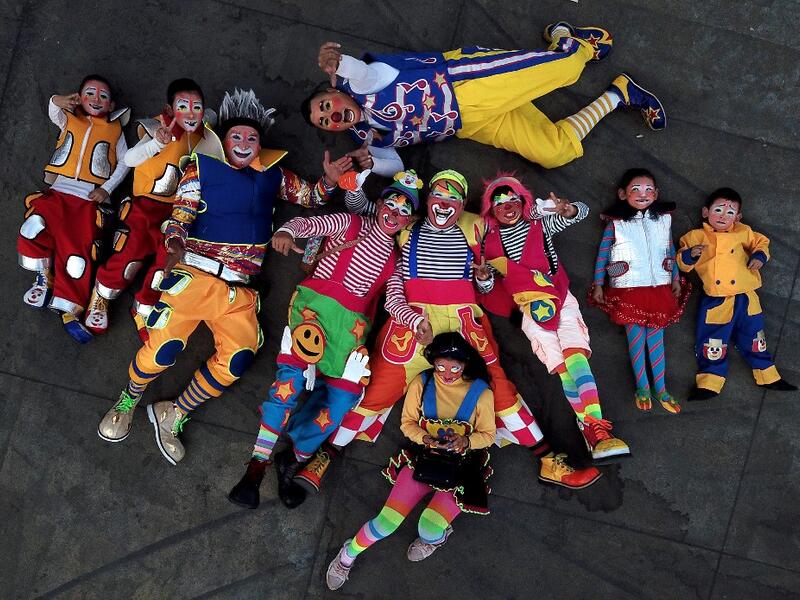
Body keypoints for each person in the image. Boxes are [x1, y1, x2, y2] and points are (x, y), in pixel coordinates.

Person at [297, 170, 601, 494]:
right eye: (438, 196)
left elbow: (518, 226)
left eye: (453, 199)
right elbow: (377, 227)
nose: (444, 204)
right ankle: (324, 456)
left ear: (462, 205)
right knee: (375, 393)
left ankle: (548, 460)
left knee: (499, 388)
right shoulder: (406, 224)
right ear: (427, 201)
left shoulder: (477, 226)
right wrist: (410, 318)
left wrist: (555, 213)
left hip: (463, 319)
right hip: (412, 322)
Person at [96, 89, 348, 463]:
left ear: (260, 144)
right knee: (163, 349)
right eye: (237, 136)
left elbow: (311, 197)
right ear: (223, 140)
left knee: (238, 359)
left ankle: (174, 412)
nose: (245, 143)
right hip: (196, 276)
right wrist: (175, 239)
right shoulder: (202, 167)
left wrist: (328, 182)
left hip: (240, 292)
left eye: (252, 137)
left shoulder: (273, 174)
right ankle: (129, 398)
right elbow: (182, 210)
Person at [227, 170, 421, 508]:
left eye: (405, 210)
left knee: (345, 397)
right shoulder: (351, 222)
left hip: (350, 331)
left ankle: (294, 458)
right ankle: (256, 468)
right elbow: (310, 225)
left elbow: (394, 300)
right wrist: (287, 230)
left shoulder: (396, 260)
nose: (396, 212)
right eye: (392, 203)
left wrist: (415, 321)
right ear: (379, 204)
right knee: (288, 383)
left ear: (410, 220)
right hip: (314, 314)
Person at [302, 21, 665, 177]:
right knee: (554, 152)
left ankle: (571, 40)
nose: (330, 117)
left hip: (465, 83)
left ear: (334, 91)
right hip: (470, 124)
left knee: (569, 67)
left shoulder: (361, 83)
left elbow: (361, 73)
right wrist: (370, 164)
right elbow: (396, 165)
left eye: (325, 107)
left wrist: (338, 62)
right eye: (323, 122)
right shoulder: (364, 139)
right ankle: (620, 94)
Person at [325, 332, 496, 591]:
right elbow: (407, 424)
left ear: (465, 365)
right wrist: (425, 438)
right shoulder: (422, 383)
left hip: (463, 470)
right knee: (386, 522)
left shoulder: (481, 394)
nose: (447, 373)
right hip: (424, 460)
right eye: (440, 366)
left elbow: (488, 435)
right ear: (433, 362)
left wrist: (466, 442)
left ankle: (435, 540)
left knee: (428, 529)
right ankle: (348, 555)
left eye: (455, 367)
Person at [479, 174, 629, 459]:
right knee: (561, 367)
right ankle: (587, 426)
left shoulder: (538, 223)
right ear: (491, 210)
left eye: (512, 199)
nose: (507, 205)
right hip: (529, 311)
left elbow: (579, 214)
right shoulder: (490, 244)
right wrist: (484, 278)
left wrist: (567, 209)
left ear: (522, 201)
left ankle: (597, 425)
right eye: (499, 202)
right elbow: (487, 286)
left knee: (575, 354)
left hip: (560, 297)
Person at [86, 78, 224, 341]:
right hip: (145, 206)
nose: (191, 113)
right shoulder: (155, 128)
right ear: (169, 109)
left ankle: (145, 307)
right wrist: (156, 144)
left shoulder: (206, 137)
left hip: (180, 214)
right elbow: (129, 160)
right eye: (183, 106)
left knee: (167, 262)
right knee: (131, 252)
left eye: (197, 107)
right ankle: (102, 294)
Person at [17, 74, 130, 343]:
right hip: (57, 194)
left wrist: (107, 189)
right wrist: (59, 99)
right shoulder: (69, 118)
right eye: (90, 93)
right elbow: (53, 110)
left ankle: (69, 307)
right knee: (32, 228)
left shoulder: (115, 130)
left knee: (77, 257)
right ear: (79, 98)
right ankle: (44, 276)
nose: (96, 99)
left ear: (112, 105)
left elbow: (125, 163)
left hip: (88, 201)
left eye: (103, 96)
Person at [677, 187, 797, 399]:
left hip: (746, 296)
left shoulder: (743, 232)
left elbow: (762, 242)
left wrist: (760, 256)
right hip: (716, 299)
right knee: (712, 341)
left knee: (755, 337)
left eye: (730, 212)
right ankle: (709, 383)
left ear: (738, 217)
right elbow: (681, 263)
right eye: (719, 210)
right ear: (706, 212)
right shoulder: (695, 236)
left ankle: (768, 375)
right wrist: (690, 255)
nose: (724, 216)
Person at [590, 168, 688, 412]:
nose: (642, 194)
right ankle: (643, 386)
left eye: (648, 190)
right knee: (636, 340)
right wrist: (599, 283)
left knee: (656, 340)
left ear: (656, 194)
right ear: (623, 194)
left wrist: (675, 277)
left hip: (660, 289)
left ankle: (662, 389)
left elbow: (669, 249)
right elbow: (603, 254)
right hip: (628, 289)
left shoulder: (664, 220)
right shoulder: (616, 223)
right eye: (636, 189)